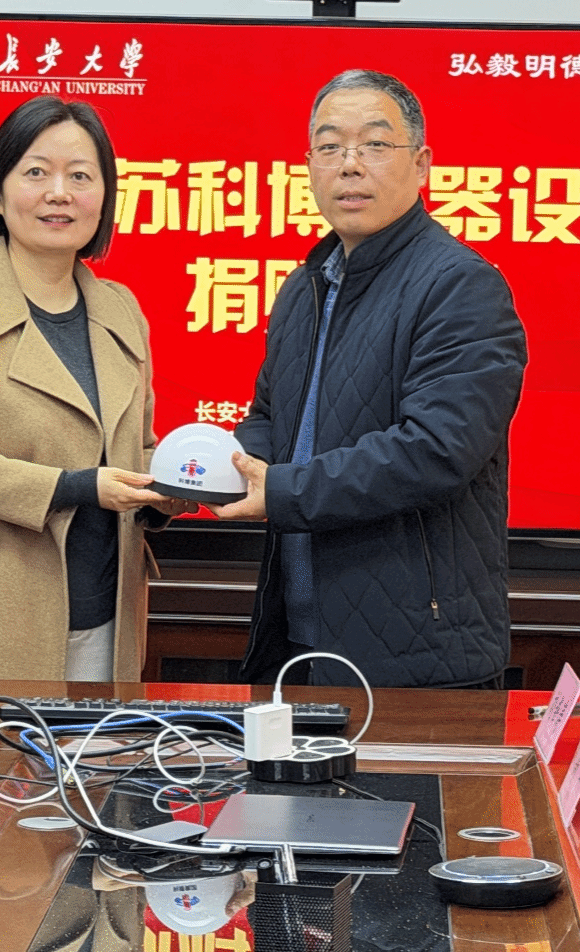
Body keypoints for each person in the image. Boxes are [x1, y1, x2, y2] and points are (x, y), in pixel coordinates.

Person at [212, 70, 528, 689]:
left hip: (419, 654)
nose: (350, 165)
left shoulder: (460, 285)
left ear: (422, 164)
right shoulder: (305, 286)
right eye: (330, 147)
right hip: (298, 635)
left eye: (375, 145)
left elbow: (435, 451)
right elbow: (271, 420)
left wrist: (282, 490)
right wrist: (208, 469)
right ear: (309, 166)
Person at [0, 96, 193, 682]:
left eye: (81, 176)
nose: (59, 193)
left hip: (105, 619)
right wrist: (77, 486)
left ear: (105, 198)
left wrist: (177, 481)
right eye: (36, 172)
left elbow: (135, 450)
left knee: (97, 748)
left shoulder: (120, 309)